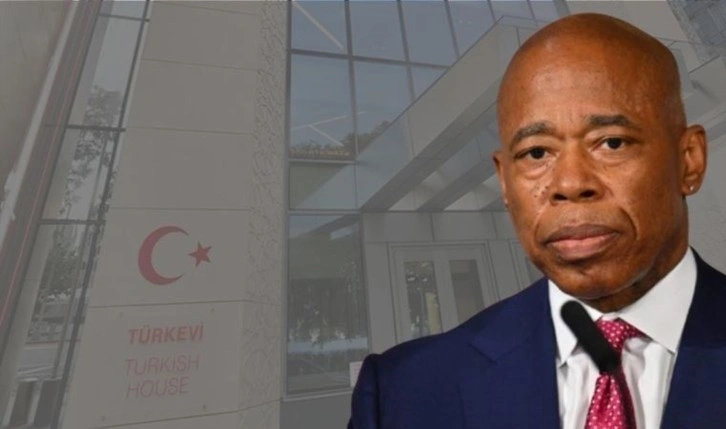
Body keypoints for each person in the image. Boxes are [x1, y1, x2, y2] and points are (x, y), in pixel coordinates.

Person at [348, 12, 726, 429]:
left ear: (690, 160)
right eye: (536, 153)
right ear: (504, 182)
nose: (570, 183)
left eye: (612, 143)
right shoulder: (402, 394)